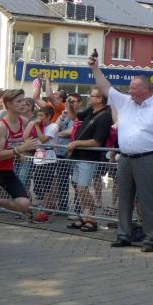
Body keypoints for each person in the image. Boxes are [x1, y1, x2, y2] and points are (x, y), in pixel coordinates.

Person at [90, 56, 153, 251]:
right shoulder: (125, 102)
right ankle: (124, 236)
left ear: (146, 89)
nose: (129, 91)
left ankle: (151, 239)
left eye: (133, 88)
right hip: (126, 159)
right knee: (125, 199)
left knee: (149, 200)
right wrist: (95, 68)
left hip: (150, 159)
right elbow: (105, 87)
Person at [0, 89, 37, 247]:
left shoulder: (23, 121)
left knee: (24, 204)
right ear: (9, 104)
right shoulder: (1, 126)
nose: (23, 104)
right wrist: (19, 150)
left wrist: (19, 152)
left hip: (7, 171)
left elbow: (15, 144)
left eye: (24, 100)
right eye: (19, 101)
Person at [64, 84, 112, 233]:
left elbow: (97, 141)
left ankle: (91, 219)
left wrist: (76, 142)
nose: (89, 97)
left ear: (99, 99)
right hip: (78, 156)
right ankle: (85, 216)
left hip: (89, 157)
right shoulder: (91, 110)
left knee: (83, 188)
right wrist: (69, 106)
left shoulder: (105, 116)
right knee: (78, 188)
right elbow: (75, 117)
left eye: (91, 95)